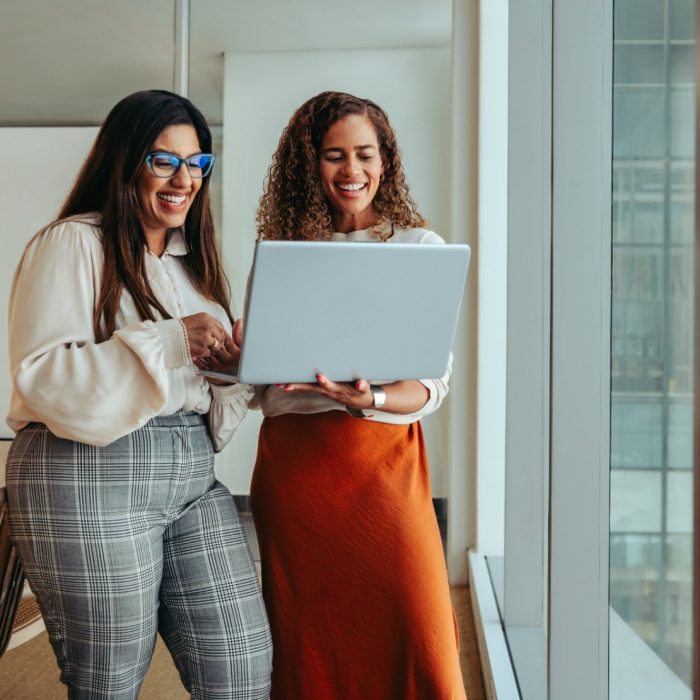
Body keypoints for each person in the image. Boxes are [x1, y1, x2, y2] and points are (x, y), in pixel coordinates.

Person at [5, 89, 272, 699]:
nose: (185, 178)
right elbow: (45, 381)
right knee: (110, 678)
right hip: (85, 471)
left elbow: (206, 404)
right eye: (164, 160)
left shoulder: (193, 267)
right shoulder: (72, 242)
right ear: (125, 160)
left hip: (191, 476)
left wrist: (232, 370)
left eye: (198, 163)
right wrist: (174, 340)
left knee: (242, 663)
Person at [248, 91, 466, 699]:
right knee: (310, 638)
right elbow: (266, 386)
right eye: (333, 155)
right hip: (297, 471)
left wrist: (366, 399)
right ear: (307, 165)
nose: (352, 171)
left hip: (383, 464)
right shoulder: (281, 256)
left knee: (417, 627)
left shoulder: (419, 248)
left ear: (386, 161)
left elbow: (430, 384)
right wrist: (234, 361)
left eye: (365, 154)